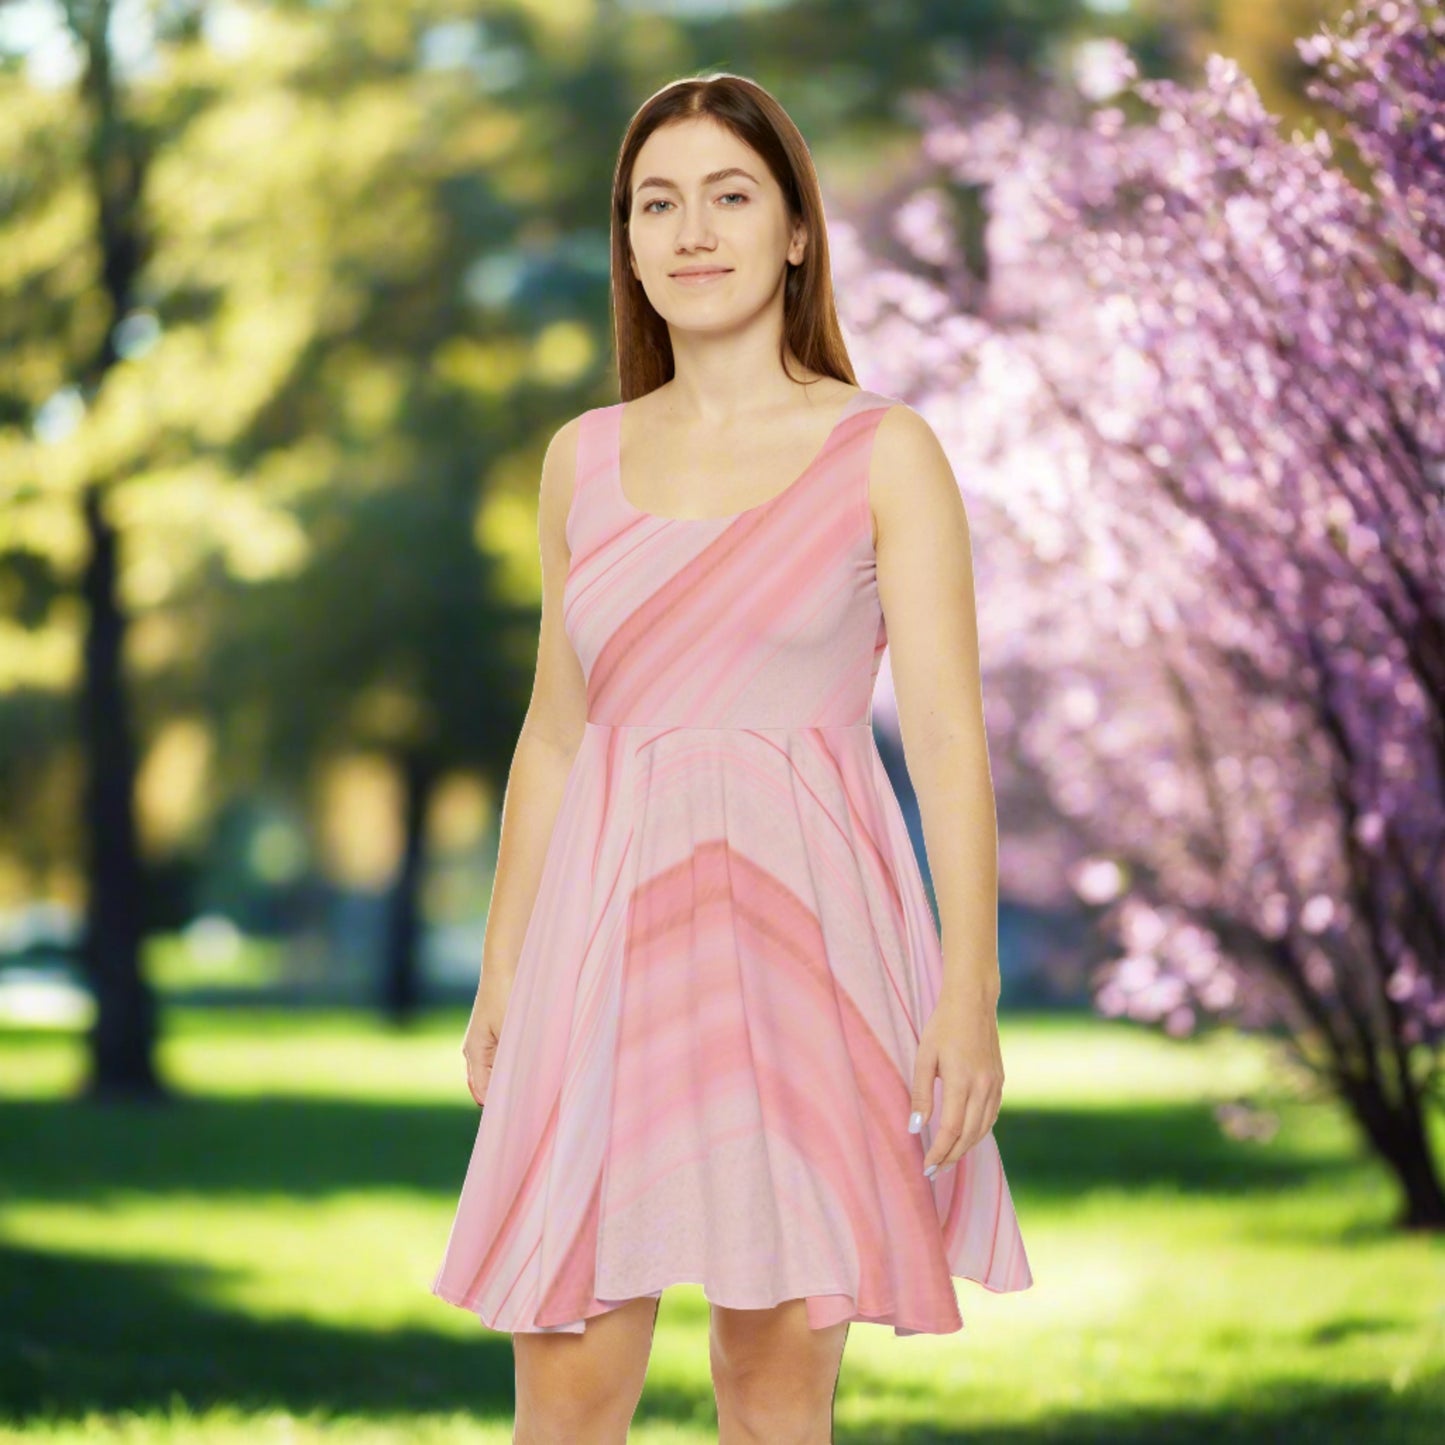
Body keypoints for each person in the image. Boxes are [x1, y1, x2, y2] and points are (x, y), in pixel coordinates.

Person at [430, 72, 1033, 1444]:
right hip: (604, 949)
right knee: (564, 1390)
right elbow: (555, 729)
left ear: (796, 231)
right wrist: (504, 966)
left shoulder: (883, 451)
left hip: (806, 947)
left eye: (728, 195)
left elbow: (944, 737)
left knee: (771, 1394)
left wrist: (966, 992)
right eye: (657, 202)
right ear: (628, 243)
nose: (690, 230)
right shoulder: (579, 460)